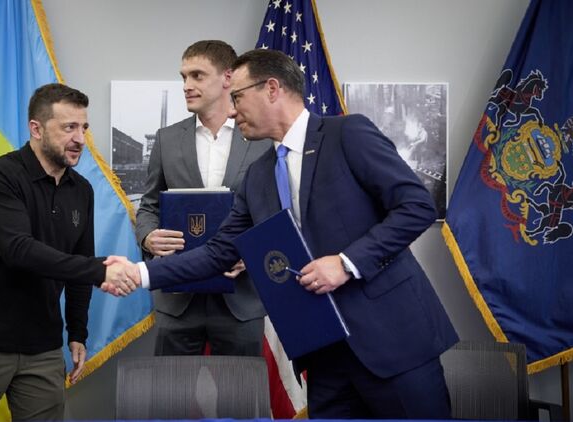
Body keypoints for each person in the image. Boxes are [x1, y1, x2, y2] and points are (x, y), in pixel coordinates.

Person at [106, 50, 458, 419]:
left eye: (237, 97)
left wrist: (346, 263)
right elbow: (218, 252)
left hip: (393, 341)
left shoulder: (347, 134)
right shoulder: (258, 176)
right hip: (322, 351)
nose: (231, 111)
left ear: (272, 89)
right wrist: (139, 273)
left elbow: (416, 206)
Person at [0, 83, 134, 421]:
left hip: (43, 347)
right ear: (36, 129)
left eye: (84, 127)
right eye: (69, 127)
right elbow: (19, 250)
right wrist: (100, 270)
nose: (80, 139)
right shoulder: (0, 176)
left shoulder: (81, 190)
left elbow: (79, 264)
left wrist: (78, 333)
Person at [135, 40, 272, 356]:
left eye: (197, 75)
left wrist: (253, 252)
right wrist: (148, 237)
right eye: (183, 77)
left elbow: (278, 212)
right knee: (173, 389)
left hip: (241, 298)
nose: (186, 85)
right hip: (178, 301)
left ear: (227, 78)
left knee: (241, 389)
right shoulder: (167, 139)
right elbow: (149, 206)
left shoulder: (262, 139)